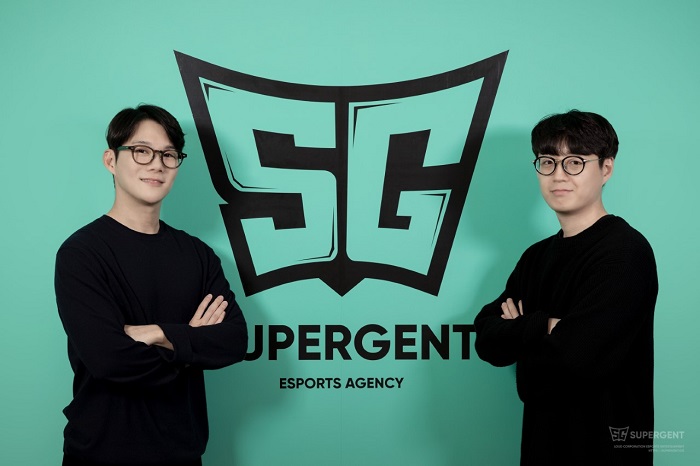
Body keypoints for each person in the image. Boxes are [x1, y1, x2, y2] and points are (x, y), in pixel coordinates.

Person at [55, 104, 248, 466]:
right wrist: (190, 342)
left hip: (182, 453)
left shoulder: (198, 255)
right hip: (100, 453)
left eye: (168, 155)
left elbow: (234, 340)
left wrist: (158, 333)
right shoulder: (81, 254)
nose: (157, 164)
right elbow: (109, 360)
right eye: (141, 151)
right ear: (111, 160)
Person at [474, 110, 657, 465]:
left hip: (606, 452)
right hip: (541, 448)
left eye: (575, 162)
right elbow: (486, 337)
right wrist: (546, 325)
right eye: (548, 162)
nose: (558, 175)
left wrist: (523, 331)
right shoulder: (536, 256)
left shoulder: (625, 251)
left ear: (606, 169)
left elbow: (577, 358)